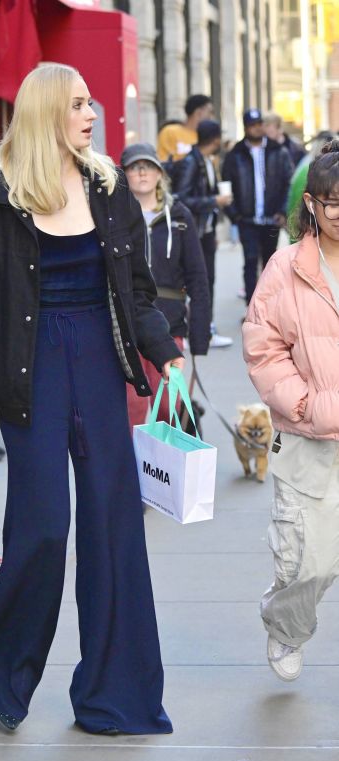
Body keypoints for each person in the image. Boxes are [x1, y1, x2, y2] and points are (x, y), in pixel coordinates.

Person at [0, 63, 184, 735]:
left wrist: (166, 353)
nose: (90, 114)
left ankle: (113, 694)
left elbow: (137, 292)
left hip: (97, 365)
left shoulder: (110, 187)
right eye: (77, 105)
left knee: (112, 526)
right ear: (43, 115)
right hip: (27, 375)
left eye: (90, 102)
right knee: (39, 531)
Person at [242, 138, 339, 682]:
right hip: (309, 437)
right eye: (333, 204)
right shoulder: (286, 268)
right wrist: (304, 404)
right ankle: (286, 627)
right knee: (310, 562)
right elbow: (263, 345)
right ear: (313, 205)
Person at [120, 142, 210, 428]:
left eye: (148, 165)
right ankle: (132, 471)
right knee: (131, 409)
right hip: (127, 327)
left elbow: (197, 276)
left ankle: (167, 471)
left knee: (169, 407)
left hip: (170, 323)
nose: (142, 172)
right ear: (124, 175)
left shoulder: (180, 216)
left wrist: (199, 334)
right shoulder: (113, 218)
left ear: (160, 173)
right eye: (135, 167)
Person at [222, 108, 293, 305]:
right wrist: (234, 215)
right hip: (247, 221)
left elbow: (288, 182)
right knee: (250, 262)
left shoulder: (278, 150)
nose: (256, 128)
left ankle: (271, 307)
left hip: (272, 218)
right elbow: (225, 186)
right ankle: (252, 308)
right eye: (252, 125)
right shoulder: (235, 154)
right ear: (245, 127)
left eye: (259, 124)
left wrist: (282, 211)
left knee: (272, 264)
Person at [172, 120, 233, 347]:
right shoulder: (191, 162)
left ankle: (205, 328)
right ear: (215, 139)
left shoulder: (206, 160)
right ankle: (195, 330)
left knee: (208, 281)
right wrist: (214, 201)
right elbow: (182, 198)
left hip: (205, 231)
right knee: (198, 282)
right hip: (193, 233)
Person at [157, 94, 213, 164]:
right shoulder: (170, 132)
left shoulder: (205, 137)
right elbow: (164, 162)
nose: (211, 117)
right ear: (199, 112)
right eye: (209, 112)